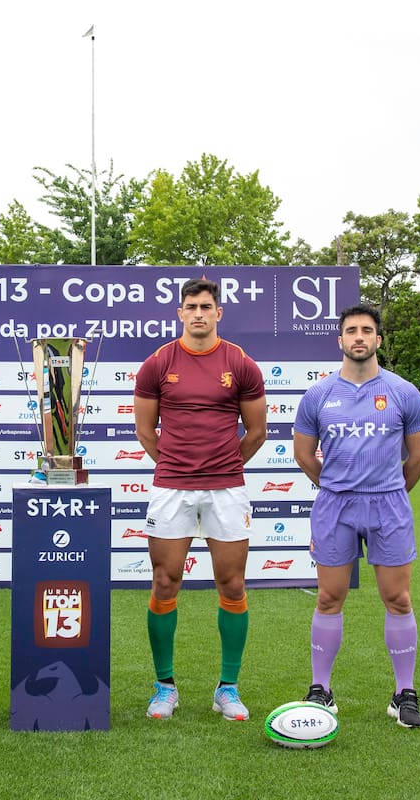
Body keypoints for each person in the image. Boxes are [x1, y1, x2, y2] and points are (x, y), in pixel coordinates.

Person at [291, 304, 420, 728]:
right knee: (329, 597)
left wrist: (391, 491)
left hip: (388, 505)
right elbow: (303, 455)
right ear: (340, 340)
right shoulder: (318, 395)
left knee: (398, 598)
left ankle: (404, 694)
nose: (359, 337)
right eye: (351, 330)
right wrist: (337, 486)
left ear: (378, 340)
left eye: (366, 330)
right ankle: (321, 690)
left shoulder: (403, 392)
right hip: (335, 505)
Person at [133, 278, 268, 721]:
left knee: (232, 585)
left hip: (226, 489)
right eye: (190, 306)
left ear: (218, 313)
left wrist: (224, 466)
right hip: (171, 487)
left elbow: (257, 432)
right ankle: (164, 686)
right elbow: (144, 431)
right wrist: (176, 465)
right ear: (180, 313)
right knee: (164, 582)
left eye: (206, 306)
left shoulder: (240, 363)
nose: (198, 313)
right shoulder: (158, 363)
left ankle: (227, 688)